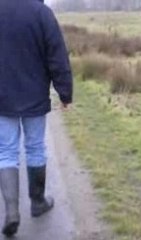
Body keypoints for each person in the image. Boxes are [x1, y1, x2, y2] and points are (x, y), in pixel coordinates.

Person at [0, 0, 73, 237]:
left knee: (6, 151)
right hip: (34, 95)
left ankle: (12, 212)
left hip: (2, 96)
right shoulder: (42, 13)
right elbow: (57, 55)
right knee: (34, 147)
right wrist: (65, 92)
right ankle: (38, 202)